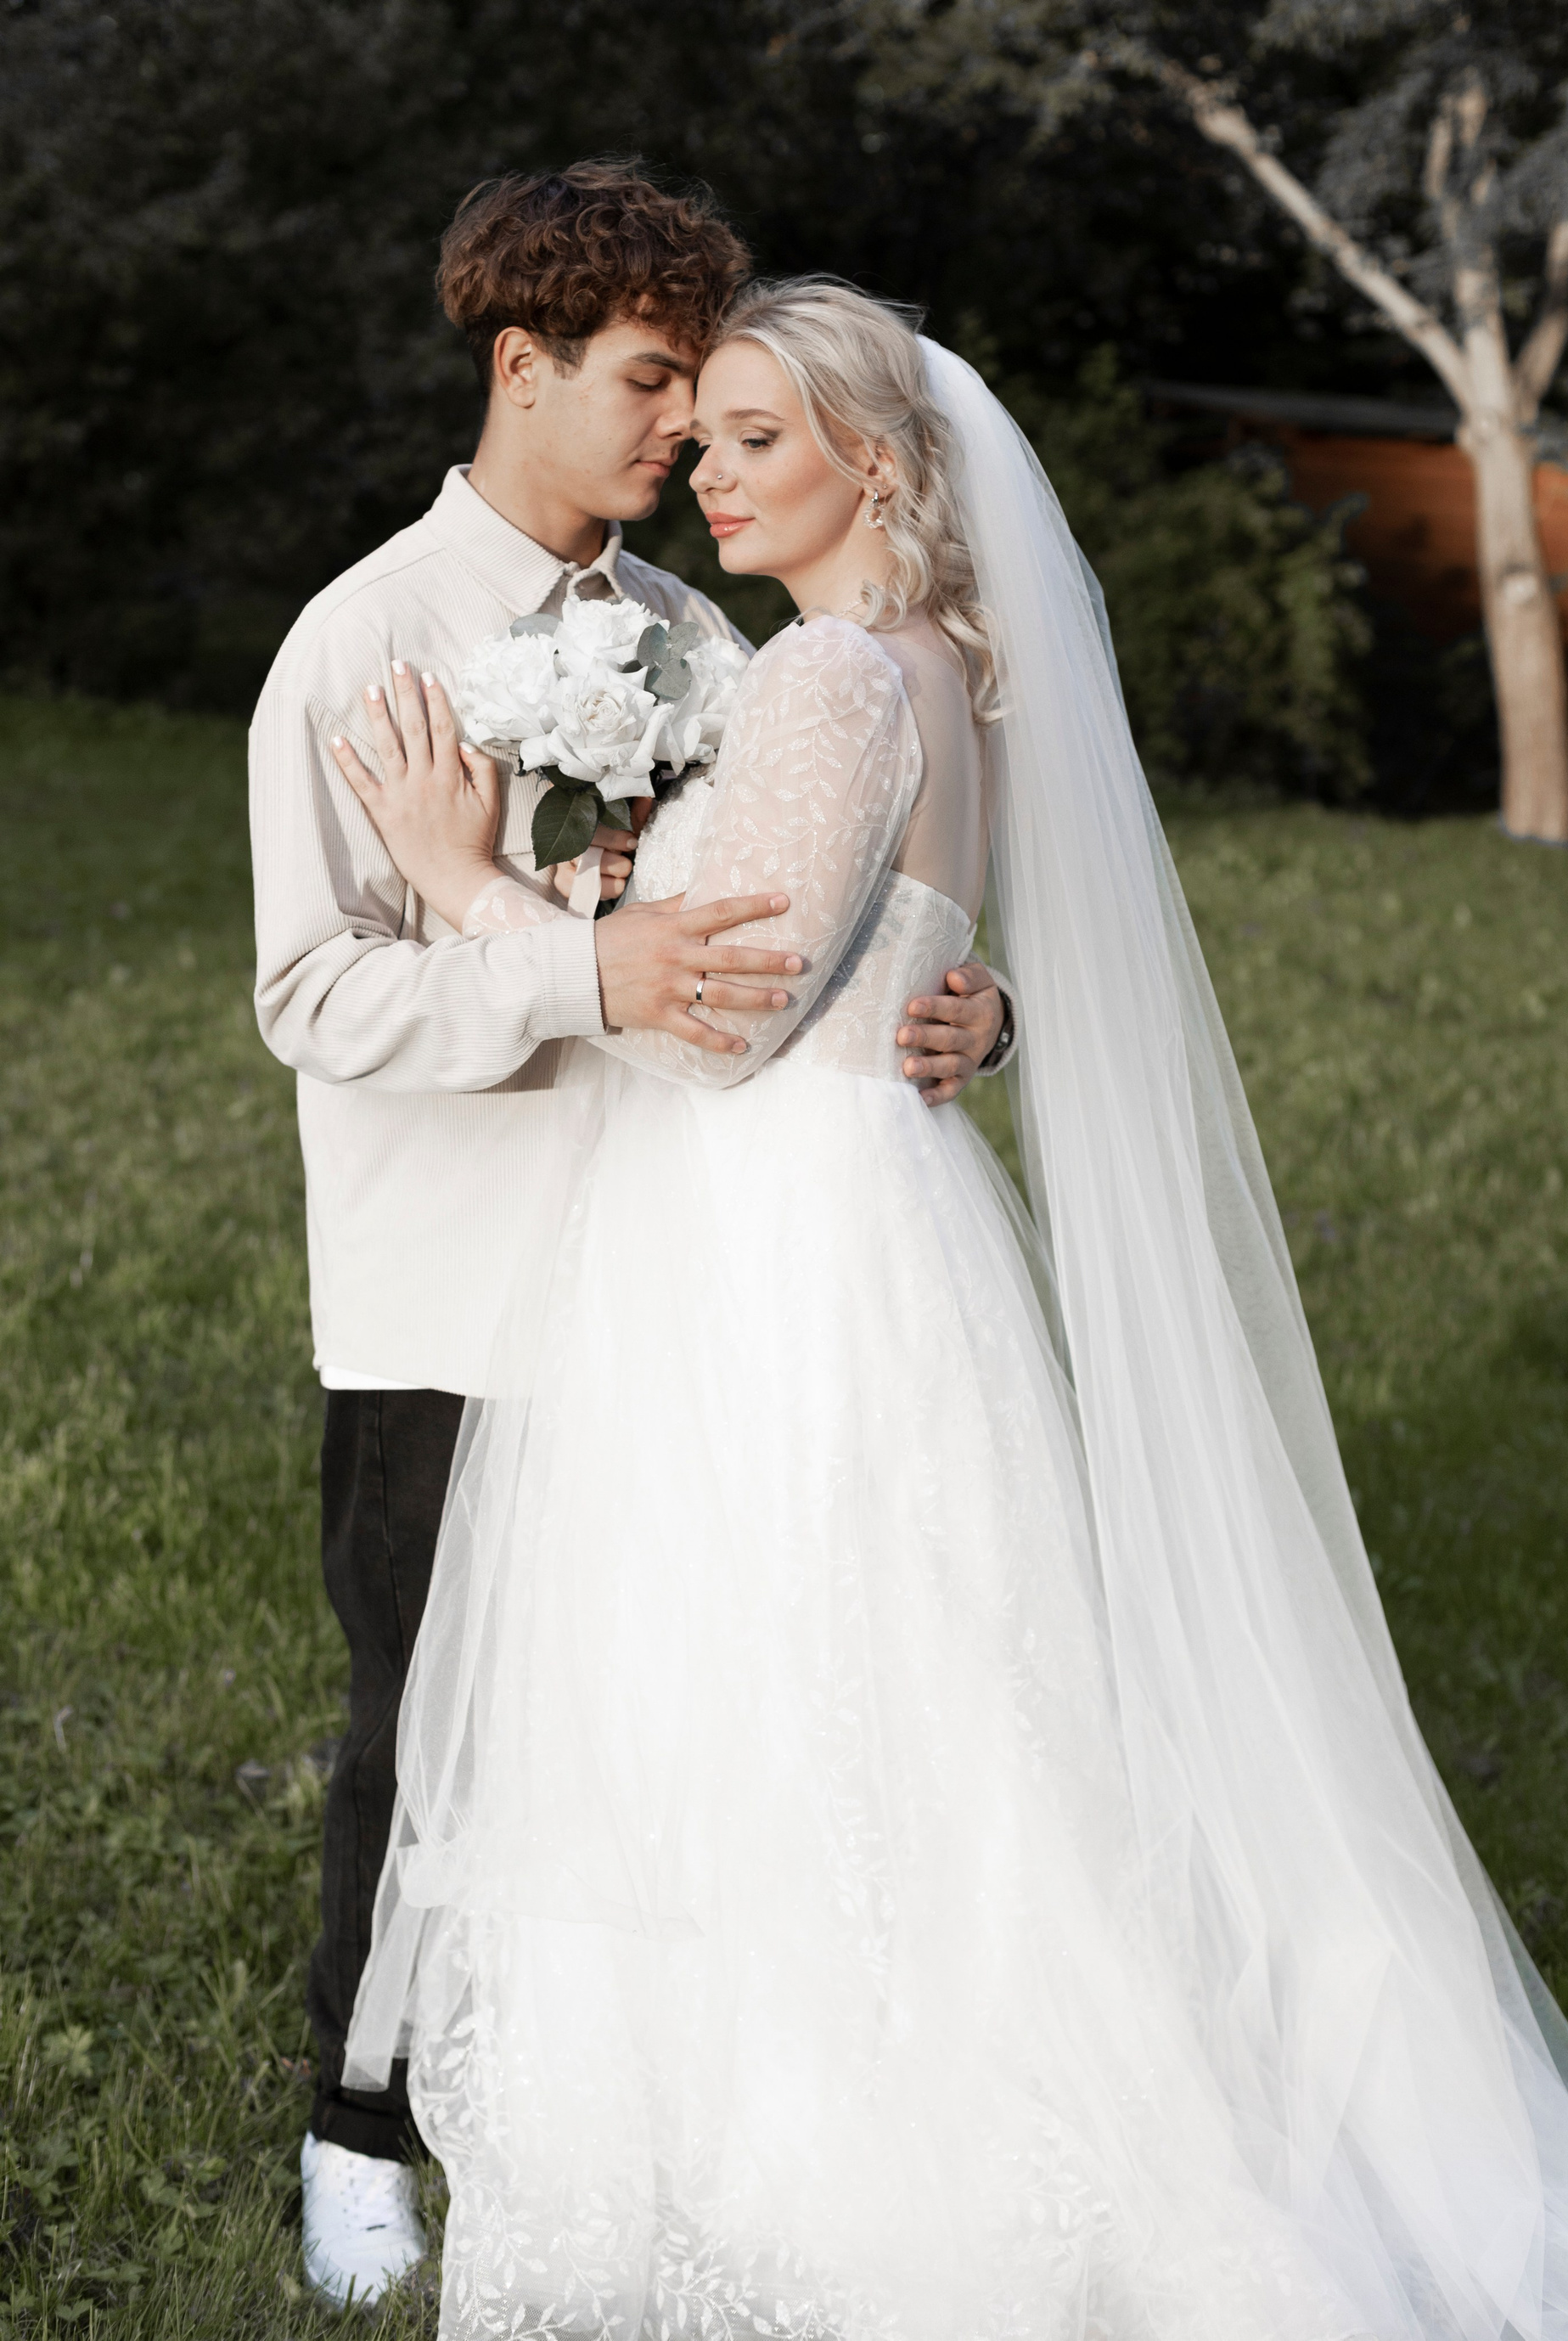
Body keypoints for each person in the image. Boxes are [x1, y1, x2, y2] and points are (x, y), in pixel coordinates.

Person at [340, 279, 1568, 2340]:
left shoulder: (835, 672)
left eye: (758, 436)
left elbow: (722, 1025)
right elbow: (879, 954)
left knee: (769, 1705)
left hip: (770, 1240)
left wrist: (469, 879)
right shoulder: (954, 668)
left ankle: (841, 2184)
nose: (709, 470)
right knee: (928, 1706)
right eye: (707, 431)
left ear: (878, 462)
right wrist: (945, 995)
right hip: (885, 1220)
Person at [249, 177, 1014, 2310]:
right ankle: (357, 2119)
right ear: (525, 365)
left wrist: (973, 1004)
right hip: (464, 1275)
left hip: (690, 1284)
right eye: (656, 377)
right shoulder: (365, 638)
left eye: (707, 387)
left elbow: (824, 895)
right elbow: (312, 989)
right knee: (424, 1720)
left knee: (641, 1726)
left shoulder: (708, 631)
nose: (687, 425)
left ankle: (586, 2094)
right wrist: (569, 967)